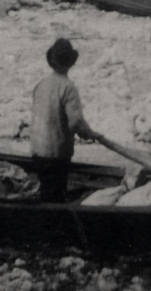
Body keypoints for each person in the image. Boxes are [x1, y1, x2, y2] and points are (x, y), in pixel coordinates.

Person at [30, 37, 101, 202]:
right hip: (56, 156)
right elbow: (75, 123)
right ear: (70, 62)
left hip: (37, 152)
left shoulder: (41, 85)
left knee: (47, 191)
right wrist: (89, 134)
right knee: (54, 197)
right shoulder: (68, 88)